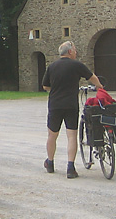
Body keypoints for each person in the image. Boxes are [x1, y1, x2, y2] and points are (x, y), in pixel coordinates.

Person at [42, 41, 102, 179]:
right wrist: (100, 86)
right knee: (71, 136)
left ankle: (50, 163)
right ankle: (70, 167)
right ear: (69, 52)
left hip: (55, 105)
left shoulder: (52, 66)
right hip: (71, 105)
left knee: (52, 135)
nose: (76, 52)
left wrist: (55, 90)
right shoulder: (77, 65)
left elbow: (45, 86)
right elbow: (92, 77)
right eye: (74, 50)